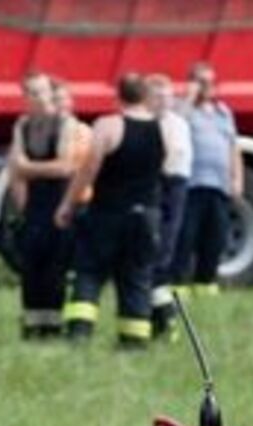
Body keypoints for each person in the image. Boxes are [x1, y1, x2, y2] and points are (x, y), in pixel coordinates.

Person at [57, 74, 177, 349]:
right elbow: (166, 168)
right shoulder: (163, 129)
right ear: (146, 95)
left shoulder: (108, 126)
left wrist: (68, 203)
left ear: (118, 95)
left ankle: (79, 334)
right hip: (146, 216)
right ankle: (134, 340)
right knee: (136, 276)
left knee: (89, 272)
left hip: (108, 214)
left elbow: (89, 169)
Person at [9, 72, 80, 338]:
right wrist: (32, 169)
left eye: (41, 91)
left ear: (51, 94)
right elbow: (16, 166)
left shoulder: (65, 124)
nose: (36, 97)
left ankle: (52, 327)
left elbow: (64, 167)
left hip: (58, 203)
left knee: (55, 268)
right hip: (34, 205)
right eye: (31, 92)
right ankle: (31, 325)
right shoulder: (22, 125)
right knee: (31, 267)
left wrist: (29, 168)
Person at [173, 61, 243, 299]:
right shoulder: (184, 110)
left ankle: (206, 284)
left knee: (215, 237)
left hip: (218, 185)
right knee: (186, 236)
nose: (208, 87)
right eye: (202, 82)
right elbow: (176, 124)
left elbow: (233, 147)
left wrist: (237, 179)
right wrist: (189, 97)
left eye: (212, 82)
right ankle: (179, 284)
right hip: (193, 185)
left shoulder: (223, 113)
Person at [146, 73, 194, 334]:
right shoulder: (148, 125)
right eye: (157, 95)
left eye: (167, 95)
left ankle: (162, 307)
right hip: (157, 183)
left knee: (169, 243)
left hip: (176, 184)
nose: (163, 100)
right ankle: (159, 308)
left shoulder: (178, 123)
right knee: (156, 245)